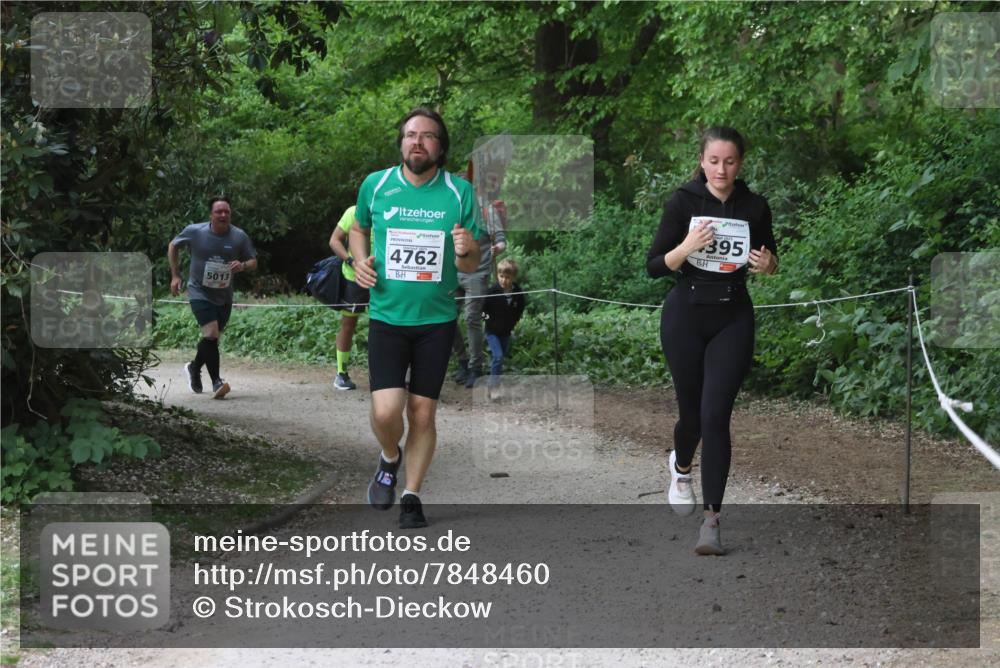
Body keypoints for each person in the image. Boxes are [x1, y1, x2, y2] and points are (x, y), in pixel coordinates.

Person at [645, 127, 778, 555]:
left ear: (741, 164)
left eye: (730, 161)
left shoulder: (755, 206)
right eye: (714, 161)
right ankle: (681, 466)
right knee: (692, 417)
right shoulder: (683, 201)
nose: (722, 169)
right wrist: (687, 245)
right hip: (685, 314)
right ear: (702, 161)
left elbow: (770, 260)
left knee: (715, 415)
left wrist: (769, 264)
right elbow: (654, 266)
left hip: (733, 316)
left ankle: (712, 522)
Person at [350, 106, 482, 529]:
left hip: (436, 320)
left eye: (427, 136)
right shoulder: (377, 185)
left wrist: (465, 249)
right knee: (387, 411)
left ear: (440, 148)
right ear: (402, 143)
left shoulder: (459, 193)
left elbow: (470, 264)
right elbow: (357, 228)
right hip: (388, 316)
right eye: (410, 135)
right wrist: (359, 262)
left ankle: (411, 495)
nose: (418, 142)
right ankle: (390, 456)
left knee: (423, 413)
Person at [169, 196, 257, 399]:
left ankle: (193, 367)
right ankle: (217, 382)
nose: (223, 215)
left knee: (211, 338)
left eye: (227, 211)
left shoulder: (238, 236)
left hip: (224, 295)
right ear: (211, 215)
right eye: (219, 211)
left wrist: (242, 265)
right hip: (199, 291)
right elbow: (173, 245)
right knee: (211, 333)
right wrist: (175, 275)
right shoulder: (195, 232)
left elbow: (253, 261)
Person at [452, 182, 508, 389]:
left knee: (472, 318)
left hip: (477, 272)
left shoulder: (485, 209)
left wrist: (498, 248)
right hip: (451, 273)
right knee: (446, 316)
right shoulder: (450, 206)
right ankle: (463, 361)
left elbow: (501, 239)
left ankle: (476, 368)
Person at [328, 205, 370, 390]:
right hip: (355, 277)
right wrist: (351, 261)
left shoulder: (390, 208)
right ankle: (341, 373)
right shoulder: (353, 211)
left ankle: (384, 373)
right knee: (348, 324)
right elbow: (334, 240)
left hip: (386, 278)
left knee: (385, 324)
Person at [482, 257, 526, 397]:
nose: (504, 280)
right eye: (501, 276)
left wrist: (514, 322)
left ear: (513, 278)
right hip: (492, 331)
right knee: (498, 357)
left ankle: (494, 383)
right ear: (497, 275)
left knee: (500, 359)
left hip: (506, 332)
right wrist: (488, 320)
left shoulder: (518, 293)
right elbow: (482, 310)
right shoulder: (492, 291)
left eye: (507, 277)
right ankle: (493, 387)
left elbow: (520, 309)